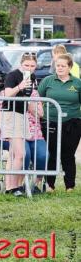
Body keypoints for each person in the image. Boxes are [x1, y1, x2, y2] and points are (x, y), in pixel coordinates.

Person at [38, 53, 81, 192]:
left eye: (63, 66)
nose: (60, 68)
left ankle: (70, 186)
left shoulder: (77, 83)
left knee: (68, 154)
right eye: (58, 66)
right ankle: (50, 185)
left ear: (69, 67)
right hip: (50, 122)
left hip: (72, 122)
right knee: (51, 153)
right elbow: (38, 99)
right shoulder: (47, 81)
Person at [0, 90, 47, 195]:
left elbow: (41, 114)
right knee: (23, 153)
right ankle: (17, 185)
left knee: (43, 155)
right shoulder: (5, 93)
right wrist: (12, 110)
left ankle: (35, 184)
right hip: (14, 133)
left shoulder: (34, 94)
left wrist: (28, 105)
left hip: (34, 133)